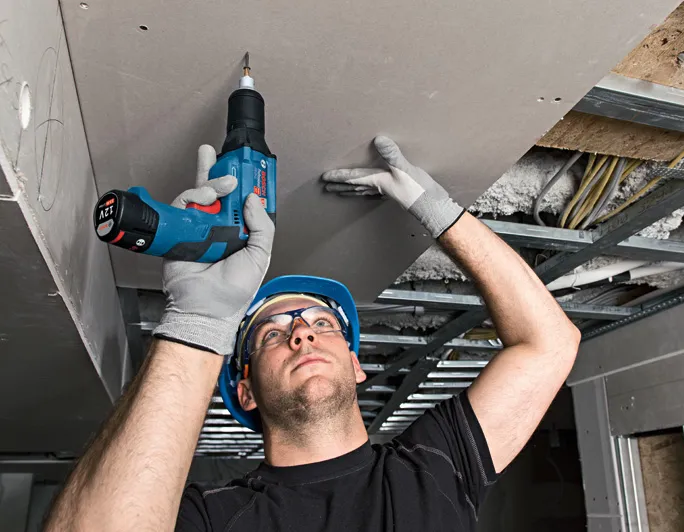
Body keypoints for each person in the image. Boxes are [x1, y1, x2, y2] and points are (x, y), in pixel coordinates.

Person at [44, 136, 580, 532]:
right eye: (272, 335)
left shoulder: (435, 466)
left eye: (322, 324)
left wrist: (436, 209)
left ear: (355, 364)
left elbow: (550, 343)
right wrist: (197, 322)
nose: (301, 334)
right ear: (245, 390)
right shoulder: (216, 517)